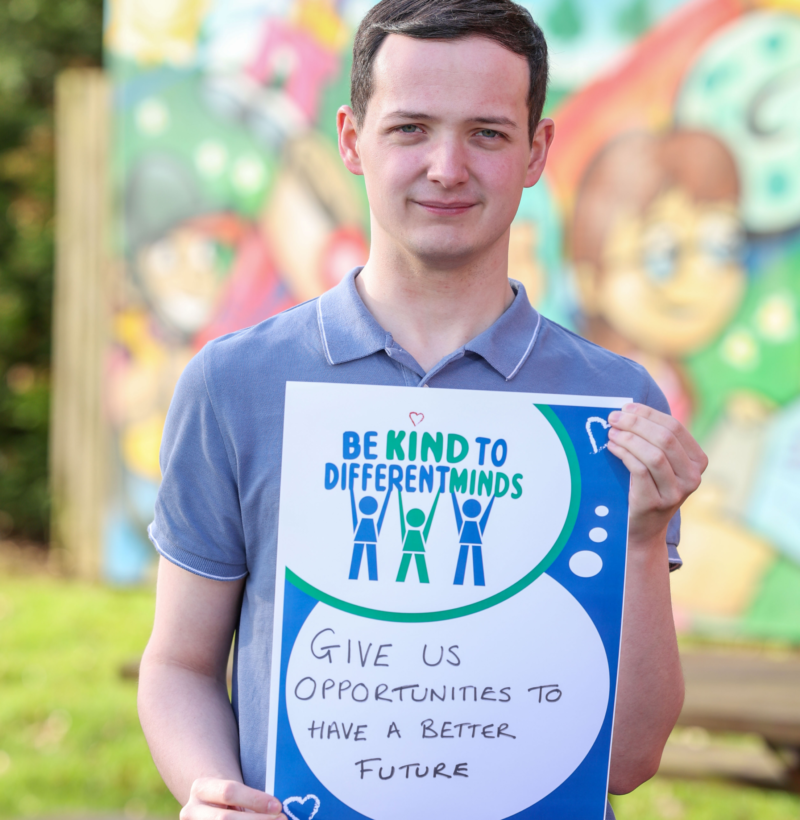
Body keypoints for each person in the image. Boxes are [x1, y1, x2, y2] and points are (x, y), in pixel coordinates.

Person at [138, 2, 707, 819]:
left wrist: (644, 540)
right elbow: (179, 666)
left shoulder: (612, 410)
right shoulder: (235, 385)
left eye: (487, 133)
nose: (447, 166)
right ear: (350, 139)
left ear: (537, 150)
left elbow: (625, 760)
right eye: (410, 129)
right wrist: (207, 792)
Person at [451, 493, 494, 586]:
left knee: (470, 558)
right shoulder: (467, 523)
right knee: (470, 558)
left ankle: (462, 580)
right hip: (471, 539)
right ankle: (463, 581)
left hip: (471, 539)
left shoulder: (468, 523)